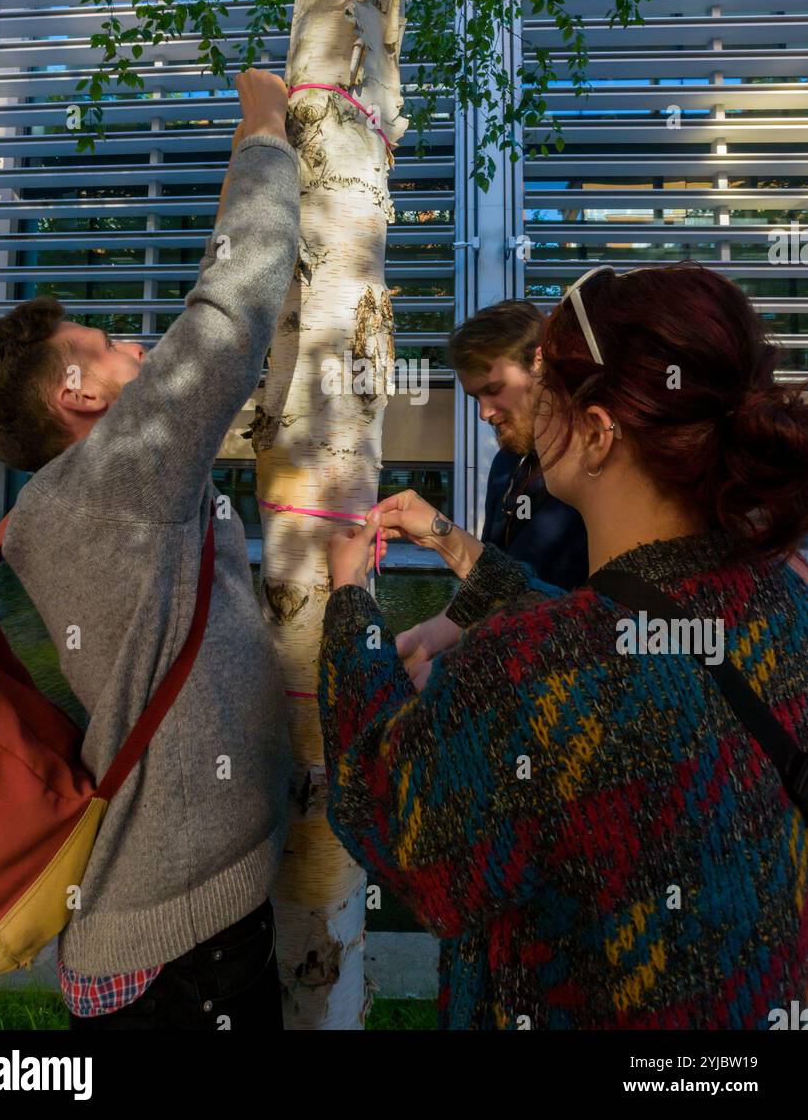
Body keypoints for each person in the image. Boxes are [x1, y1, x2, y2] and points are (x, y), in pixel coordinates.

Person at [320, 262, 808, 1030]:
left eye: (544, 385)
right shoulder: (780, 599)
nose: (503, 411)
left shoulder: (528, 669)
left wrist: (351, 613)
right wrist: (449, 541)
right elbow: (625, 641)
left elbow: (393, 821)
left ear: (596, 431)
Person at [0, 69, 300, 1029]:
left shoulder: (80, 499)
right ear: (78, 396)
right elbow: (229, 312)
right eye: (110, 345)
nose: (140, 353)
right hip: (180, 956)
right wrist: (265, 124)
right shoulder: (114, 477)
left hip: (168, 933)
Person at [397, 301, 587, 690]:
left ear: (540, 362)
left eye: (494, 390)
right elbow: (495, 584)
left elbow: (552, 608)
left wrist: (454, 666)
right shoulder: (508, 463)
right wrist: (426, 638)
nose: (484, 413)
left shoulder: (588, 472)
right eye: (474, 398)